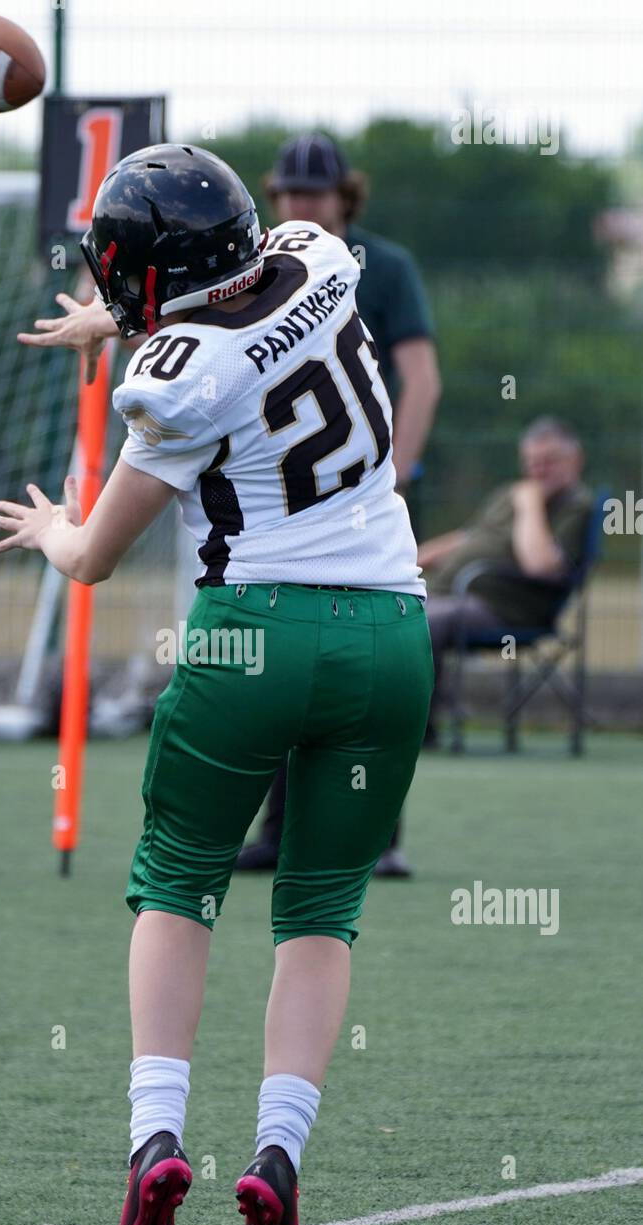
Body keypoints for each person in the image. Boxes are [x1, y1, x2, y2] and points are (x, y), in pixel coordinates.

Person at [0, 144, 433, 1225]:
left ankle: (155, 1140)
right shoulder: (322, 253)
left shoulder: (171, 378)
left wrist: (48, 530)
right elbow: (239, 312)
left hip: (253, 634)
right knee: (322, 906)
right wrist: (126, 318)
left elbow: (92, 557)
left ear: (148, 283)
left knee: (176, 879)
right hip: (389, 634)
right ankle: (278, 1156)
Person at [234, 132, 442, 877]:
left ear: (343, 196)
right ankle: (279, 829)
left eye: (313, 193)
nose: (299, 206)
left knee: (372, 655)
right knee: (296, 653)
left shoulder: (382, 268)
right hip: (290, 499)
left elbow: (422, 378)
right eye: (288, 193)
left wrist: (398, 470)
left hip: (366, 495)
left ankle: (376, 838)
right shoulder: (261, 266)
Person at [418, 417, 593, 733]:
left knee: (423, 621)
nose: (538, 471)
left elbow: (539, 564)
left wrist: (529, 504)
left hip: (506, 610)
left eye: (549, 462)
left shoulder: (576, 505)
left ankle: (418, 726)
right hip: (451, 594)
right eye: (531, 462)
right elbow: (470, 537)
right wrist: (410, 560)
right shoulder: (508, 494)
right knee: (393, 611)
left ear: (576, 461)